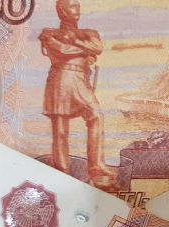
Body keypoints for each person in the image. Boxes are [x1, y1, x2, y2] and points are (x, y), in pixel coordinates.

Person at [39, 0, 116, 188]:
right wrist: (84, 51)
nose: (78, 9)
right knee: (60, 129)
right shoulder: (49, 33)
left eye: (78, 6)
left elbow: (97, 48)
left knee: (96, 115)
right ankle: (62, 170)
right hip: (61, 79)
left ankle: (96, 166)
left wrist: (74, 40)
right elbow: (62, 51)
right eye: (73, 6)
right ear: (62, 11)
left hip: (81, 80)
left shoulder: (89, 33)